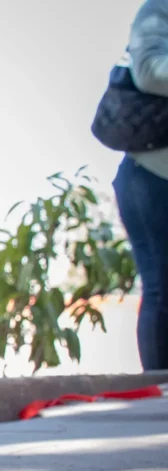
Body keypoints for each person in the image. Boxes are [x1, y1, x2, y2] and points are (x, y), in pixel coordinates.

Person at [115, 0, 168, 372]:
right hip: (152, 175)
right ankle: (161, 396)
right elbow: (148, 71)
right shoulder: (159, 9)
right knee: (162, 289)